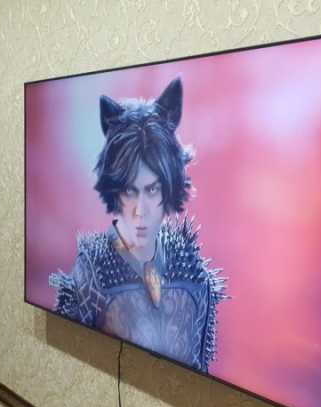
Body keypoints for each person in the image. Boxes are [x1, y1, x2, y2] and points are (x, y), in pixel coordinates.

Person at [49, 77, 227, 373]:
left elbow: (201, 370)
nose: (140, 210)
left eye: (152, 190)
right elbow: (67, 365)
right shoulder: (90, 273)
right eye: (130, 191)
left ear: (169, 188)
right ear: (115, 191)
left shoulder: (194, 273)